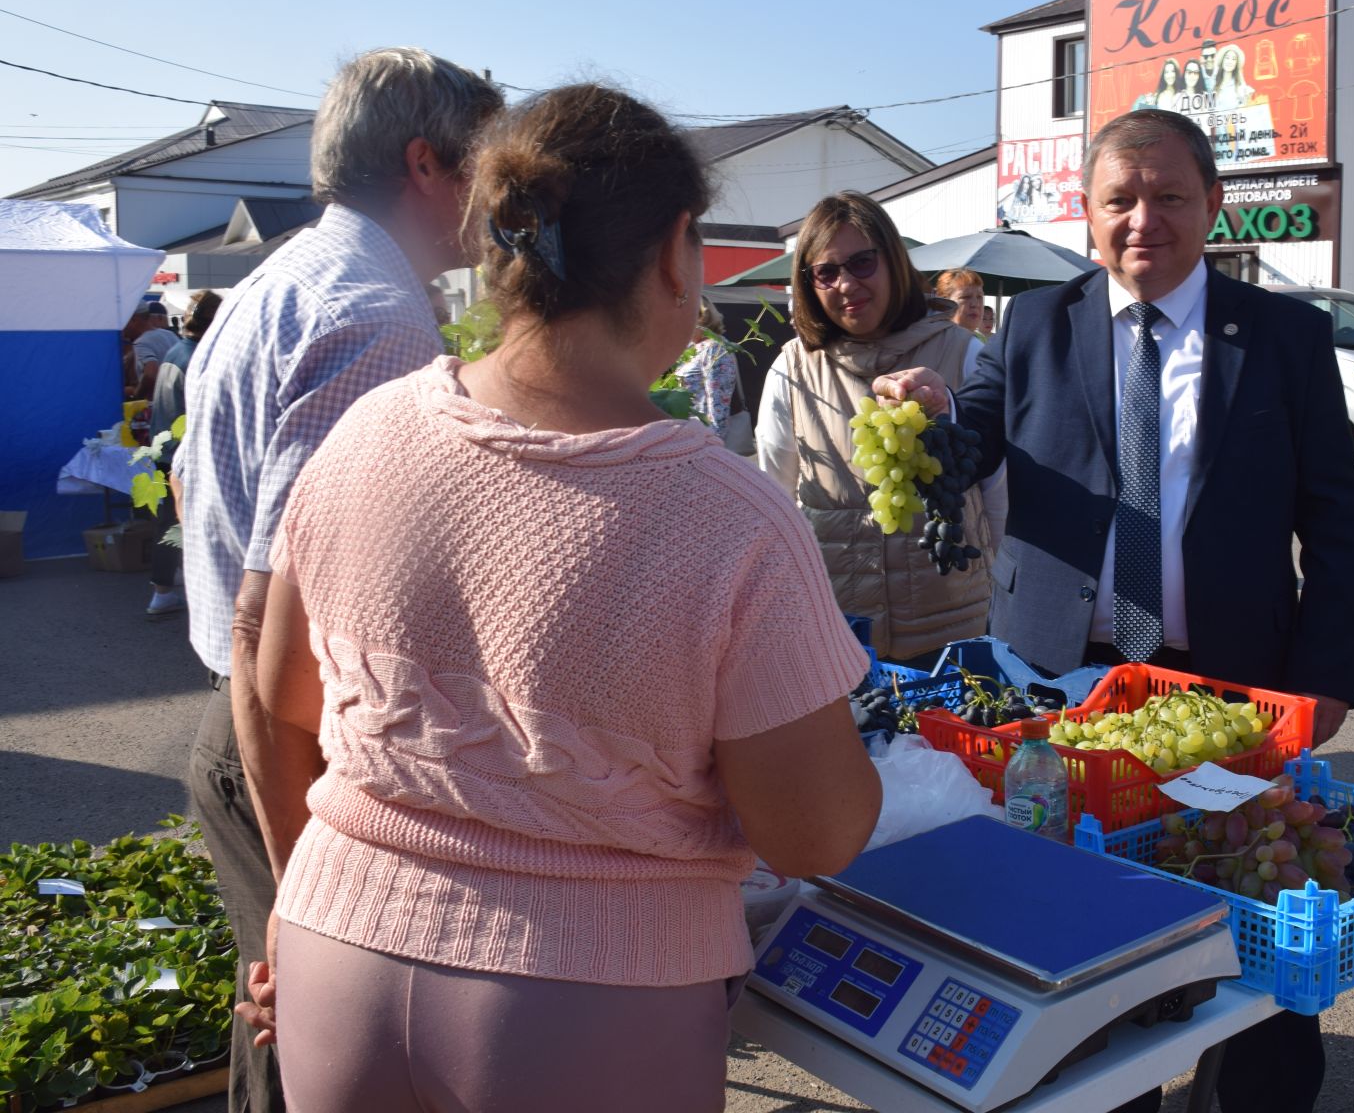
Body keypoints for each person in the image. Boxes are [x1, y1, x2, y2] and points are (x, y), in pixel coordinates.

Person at [230, 82, 880, 1113]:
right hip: (586, 997)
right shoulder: (728, 517)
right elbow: (816, 833)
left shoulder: (366, 433)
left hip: (335, 952)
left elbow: (282, 689)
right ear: (678, 252)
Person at [875, 107, 1354, 1113]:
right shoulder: (1030, 326)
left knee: (1247, 907)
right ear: (1086, 214)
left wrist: (1325, 678)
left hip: (1232, 681)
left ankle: (1247, 1095)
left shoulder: (1285, 336)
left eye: (1170, 196)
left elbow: (1336, 522)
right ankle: (1104, 1092)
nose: (1145, 219)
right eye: (1120, 200)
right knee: (1071, 916)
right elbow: (967, 458)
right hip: (1062, 679)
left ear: (1213, 205)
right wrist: (925, 414)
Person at [174, 46, 503, 1113]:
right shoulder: (376, 318)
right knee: (306, 1027)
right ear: (426, 163)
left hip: (247, 722)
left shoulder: (279, 282)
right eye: (485, 167)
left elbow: (192, 494)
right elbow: (275, 615)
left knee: (274, 1031)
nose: (495, 198)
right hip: (294, 739)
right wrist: (306, 885)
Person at [756, 190, 1003, 665]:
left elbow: (999, 496)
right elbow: (774, 502)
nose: (846, 284)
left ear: (893, 262)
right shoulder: (792, 370)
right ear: (808, 284)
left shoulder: (962, 353)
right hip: (841, 635)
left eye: (862, 263)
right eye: (826, 272)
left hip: (956, 627)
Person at [144, 289, 222, 620]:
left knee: (168, 522)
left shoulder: (175, 351)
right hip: (187, 456)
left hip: (166, 450)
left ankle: (163, 589)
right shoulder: (197, 360)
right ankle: (172, 593)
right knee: (187, 526)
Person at [674, 298, 748, 450]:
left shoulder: (714, 349)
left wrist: (712, 446)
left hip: (705, 442)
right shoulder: (691, 348)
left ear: (701, 317)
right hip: (689, 437)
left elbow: (718, 405)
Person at [127, 302, 179, 401]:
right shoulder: (169, 335)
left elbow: (150, 374)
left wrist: (137, 395)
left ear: (134, 320)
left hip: (160, 404)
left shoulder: (141, 343)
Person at [934, 267, 985, 334]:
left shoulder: (981, 340)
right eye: (965, 297)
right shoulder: (936, 341)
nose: (975, 304)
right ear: (944, 302)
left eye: (979, 297)